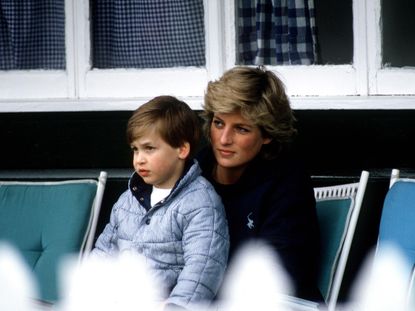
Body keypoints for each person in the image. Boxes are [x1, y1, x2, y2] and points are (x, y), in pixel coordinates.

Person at [197, 66, 322, 302]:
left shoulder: (287, 182)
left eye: (241, 129)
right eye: (219, 123)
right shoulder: (192, 173)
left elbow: (277, 275)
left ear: (267, 134)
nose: (224, 139)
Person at [91, 96, 230, 310]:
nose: (139, 159)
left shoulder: (201, 203)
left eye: (149, 148)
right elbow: (103, 253)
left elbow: (202, 268)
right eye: (135, 149)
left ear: (181, 150)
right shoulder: (128, 200)